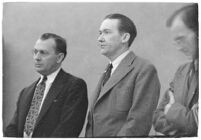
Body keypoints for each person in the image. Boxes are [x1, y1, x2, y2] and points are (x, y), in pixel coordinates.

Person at [85, 13, 160, 137]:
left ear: (124, 38)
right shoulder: (108, 70)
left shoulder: (144, 70)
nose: (100, 38)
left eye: (107, 32)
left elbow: (139, 123)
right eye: (100, 33)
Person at [4, 33, 88, 137]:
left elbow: (68, 130)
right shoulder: (25, 92)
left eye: (43, 53)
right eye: (35, 52)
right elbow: (12, 129)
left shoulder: (74, 86)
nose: (36, 57)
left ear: (59, 57)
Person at [153, 4, 198, 137]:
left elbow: (195, 124)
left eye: (181, 39)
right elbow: (157, 118)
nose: (179, 48)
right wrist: (185, 123)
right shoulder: (182, 71)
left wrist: (171, 110)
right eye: (176, 42)